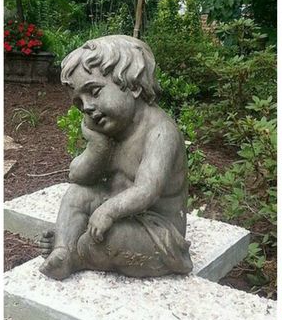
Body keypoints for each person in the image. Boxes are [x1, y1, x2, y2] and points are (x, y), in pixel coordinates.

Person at [39, 35, 193, 279]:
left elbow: (147, 190)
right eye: (80, 103)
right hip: (115, 210)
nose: (87, 107)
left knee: (113, 238)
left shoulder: (160, 131)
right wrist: (98, 146)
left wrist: (109, 211)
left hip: (157, 229)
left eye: (94, 92)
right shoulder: (110, 132)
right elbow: (78, 176)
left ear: (132, 85)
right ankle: (64, 249)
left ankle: (74, 254)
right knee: (76, 195)